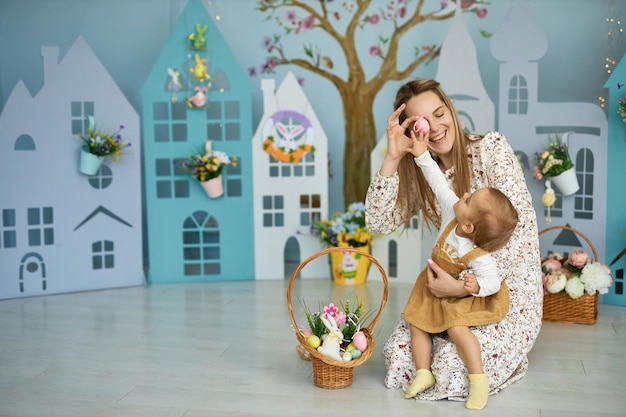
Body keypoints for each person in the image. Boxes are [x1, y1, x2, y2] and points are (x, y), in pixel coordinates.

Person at [365, 79, 542, 404]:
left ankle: (490, 365)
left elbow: (518, 236)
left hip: (501, 287)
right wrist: (392, 159)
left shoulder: (490, 148)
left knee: (450, 363)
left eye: (439, 113)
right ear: (410, 130)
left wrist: (461, 288)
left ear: (451, 109)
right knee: (399, 355)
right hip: (445, 293)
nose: (434, 128)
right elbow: (377, 223)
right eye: (422, 123)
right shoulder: (422, 171)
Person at [401, 128, 519, 409]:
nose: (462, 195)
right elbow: (438, 181)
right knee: (416, 322)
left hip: (458, 295)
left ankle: (478, 379)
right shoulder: (452, 209)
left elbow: (492, 281)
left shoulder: (478, 255)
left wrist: (475, 286)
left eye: (468, 200)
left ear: (468, 227)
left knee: (457, 328)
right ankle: (423, 372)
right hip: (430, 284)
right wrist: (420, 154)